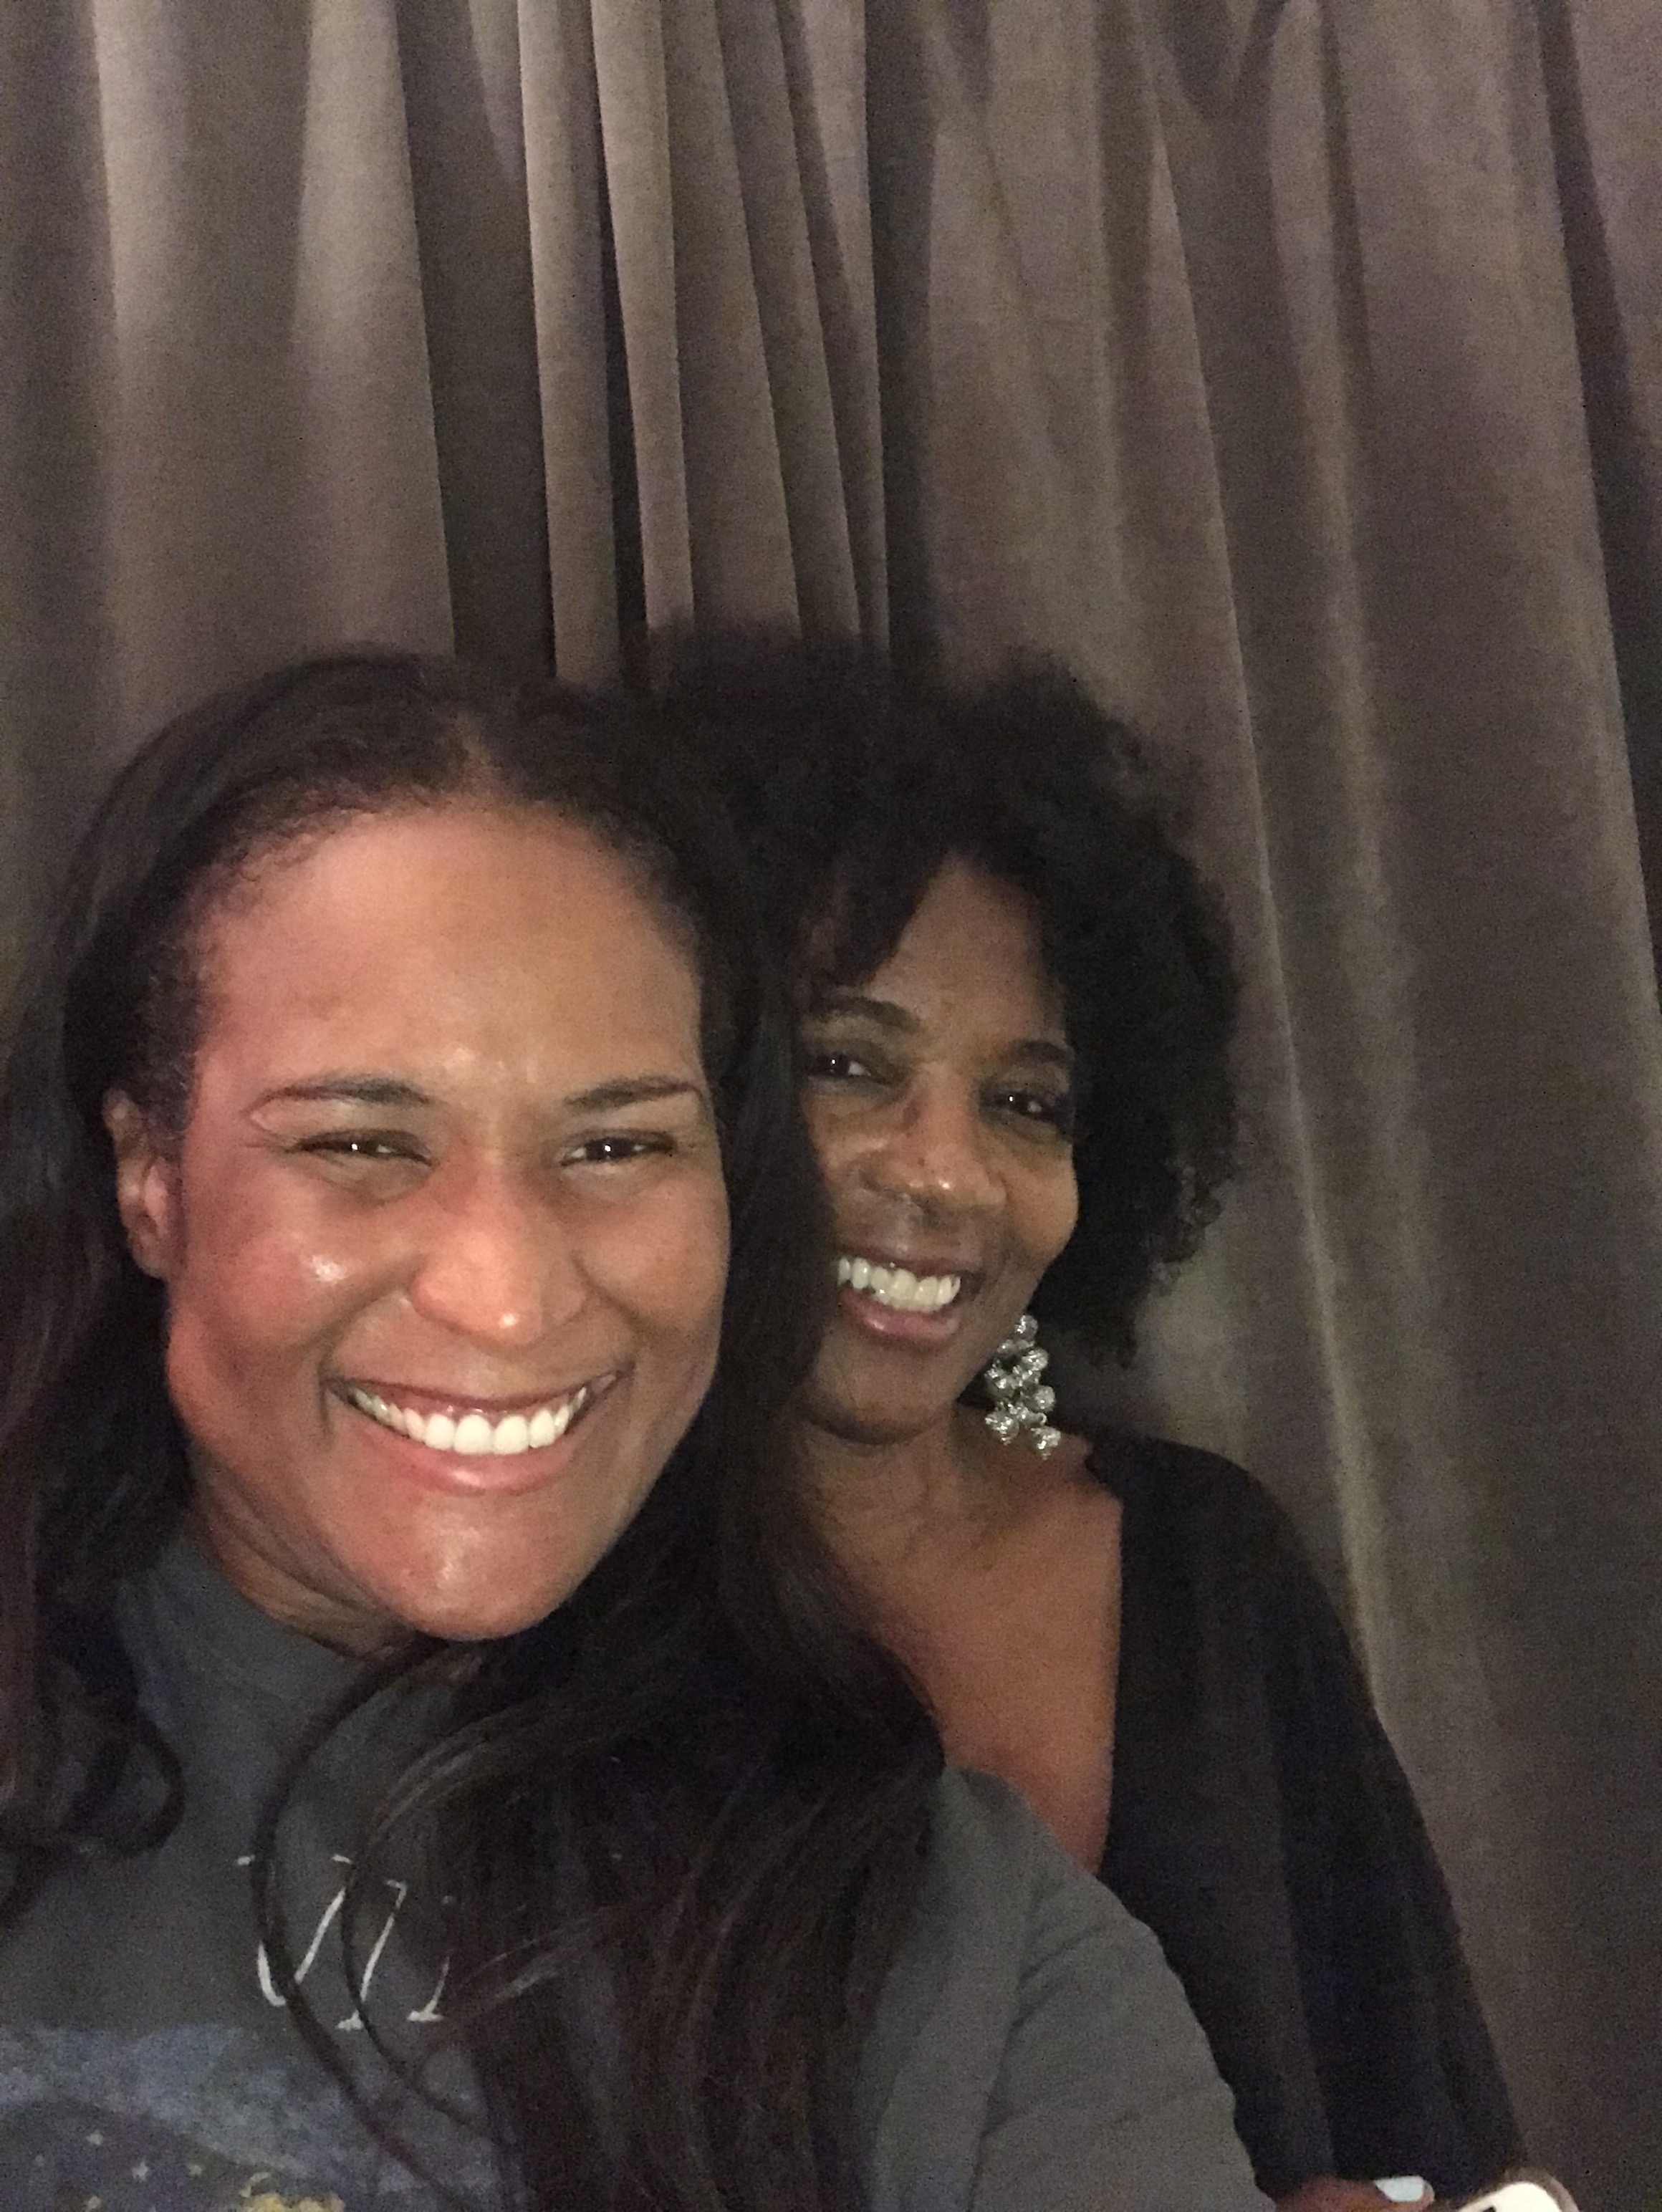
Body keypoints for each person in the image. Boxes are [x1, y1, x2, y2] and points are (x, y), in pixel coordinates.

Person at [0, 652, 1274, 2212]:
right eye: (361, 1143)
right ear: (148, 1174)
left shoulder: (956, 1945)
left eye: (614, 1146)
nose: (507, 1296)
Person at [666, 638, 1527, 2212]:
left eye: (1026, 1102)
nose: (947, 1173)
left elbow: (1440, 2146)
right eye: (848, 1063)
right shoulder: (551, 1621)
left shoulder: (1210, 1574)